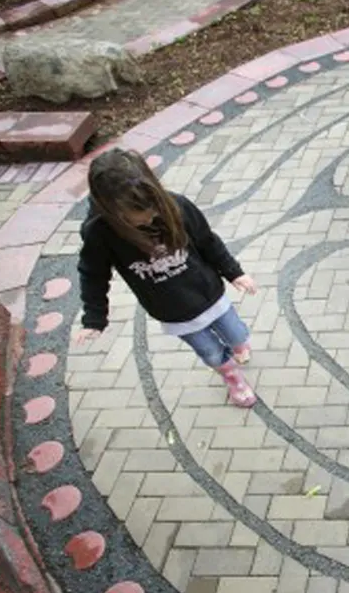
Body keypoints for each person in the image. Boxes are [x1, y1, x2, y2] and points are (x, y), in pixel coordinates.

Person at [73, 149, 259, 407]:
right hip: (173, 310)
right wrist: (94, 317)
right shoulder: (100, 233)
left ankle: (237, 346)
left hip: (209, 293)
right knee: (211, 352)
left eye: (153, 209)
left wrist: (234, 272)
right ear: (113, 209)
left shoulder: (176, 206)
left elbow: (207, 241)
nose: (151, 218)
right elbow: (93, 275)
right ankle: (232, 378)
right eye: (141, 216)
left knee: (237, 334)